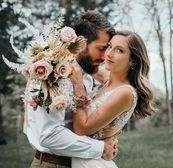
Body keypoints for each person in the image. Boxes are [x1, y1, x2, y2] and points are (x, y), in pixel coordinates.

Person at [24, 10, 117, 168]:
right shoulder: (52, 74)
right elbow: (48, 136)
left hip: (80, 162)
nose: (104, 56)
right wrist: (100, 148)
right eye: (101, 49)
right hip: (52, 164)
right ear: (81, 43)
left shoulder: (85, 75)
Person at [69, 30, 155, 168]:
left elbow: (81, 129)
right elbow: (85, 63)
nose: (109, 54)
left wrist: (78, 88)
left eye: (119, 50)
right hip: (84, 158)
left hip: (90, 163)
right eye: (109, 46)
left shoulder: (125, 93)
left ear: (132, 60)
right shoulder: (109, 79)